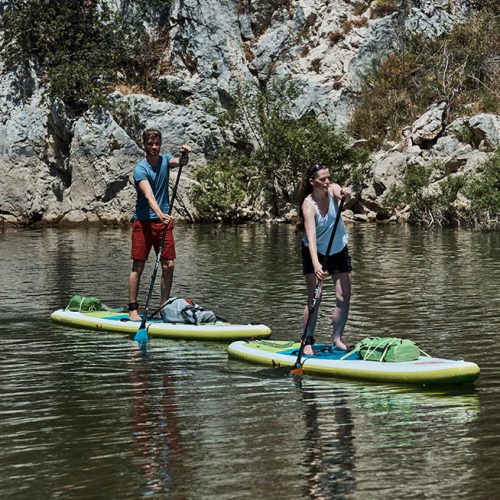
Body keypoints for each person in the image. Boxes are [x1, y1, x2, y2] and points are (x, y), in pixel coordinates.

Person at [127, 127, 191, 321]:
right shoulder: (140, 169)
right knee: (138, 266)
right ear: (144, 145)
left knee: (168, 265)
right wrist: (159, 213)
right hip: (144, 223)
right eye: (150, 144)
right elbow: (148, 195)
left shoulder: (165, 160)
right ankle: (133, 310)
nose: (154, 147)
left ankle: (163, 307)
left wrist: (185, 154)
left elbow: (180, 162)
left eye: (157, 143)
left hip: (163, 224)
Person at [297, 163, 352, 354]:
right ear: (312, 182)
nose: (327, 182)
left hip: (339, 248)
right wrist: (316, 264)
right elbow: (310, 237)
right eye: (322, 179)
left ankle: (337, 339)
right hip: (315, 252)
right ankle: (307, 339)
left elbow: (339, 191)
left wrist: (344, 193)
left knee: (343, 297)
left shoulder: (332, 189)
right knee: (315, 298)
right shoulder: (308, 205)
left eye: (328, 177)